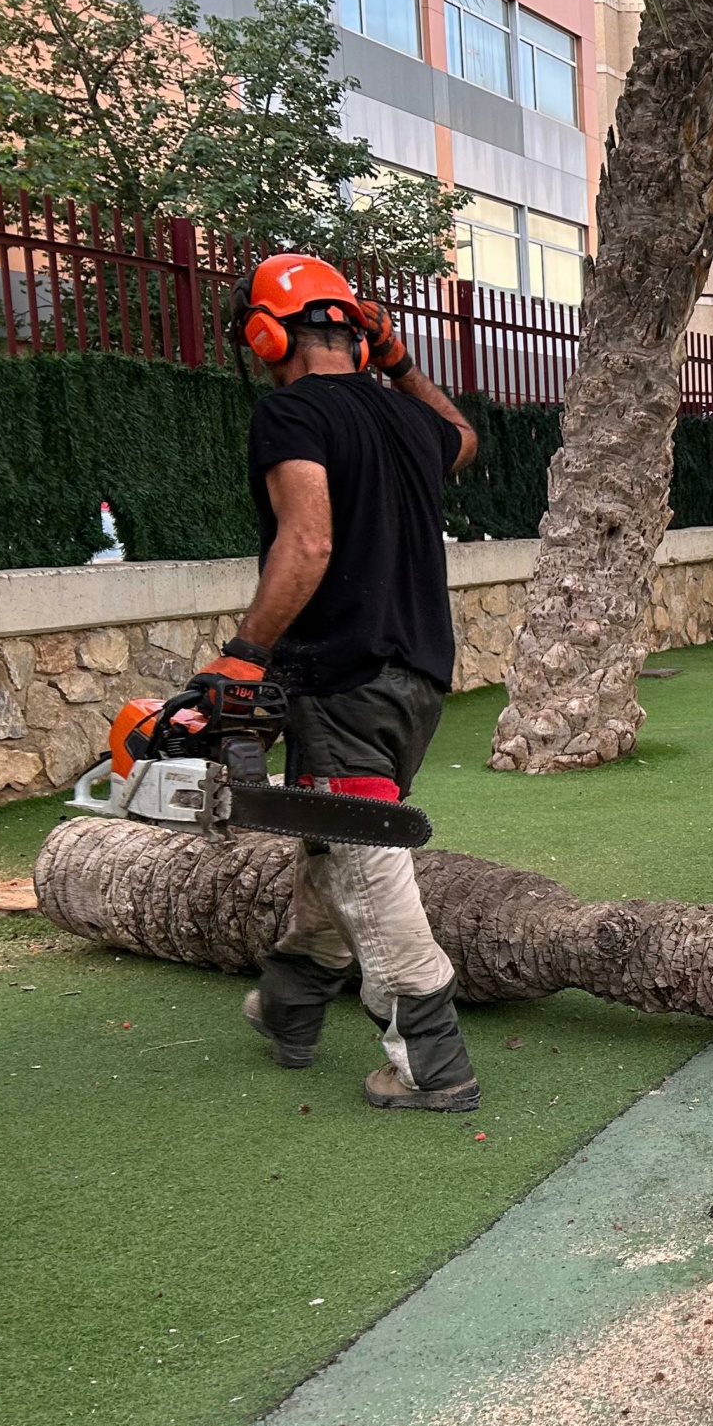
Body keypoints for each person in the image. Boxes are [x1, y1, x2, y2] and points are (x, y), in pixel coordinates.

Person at [195, 253, 483, 1110]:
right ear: (355, 333)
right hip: (422, 678)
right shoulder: (405, 418)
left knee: (364, 853)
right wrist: (400, 365)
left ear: (265, 332)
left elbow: (309, 542)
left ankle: (431, 1059)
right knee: (340, 840)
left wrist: (245, 651)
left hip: (344, 674)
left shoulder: (288, 412)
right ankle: (289, 1003)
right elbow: (462, 439)